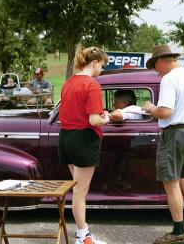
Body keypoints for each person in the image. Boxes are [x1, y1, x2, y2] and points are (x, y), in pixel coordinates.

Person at [142, 44, 184, 244]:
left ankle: (178, 232)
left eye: (155, 66)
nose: (156, 71)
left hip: (175, 133)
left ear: (161, 61)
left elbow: (165, 112)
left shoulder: (169, 78)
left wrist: (149, 107)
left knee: (171, 184)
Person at [58, 45, 109, 244]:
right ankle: (83, 236)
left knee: (78, 190)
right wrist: (106, 118)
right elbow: (94, 120)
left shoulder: (69, 82)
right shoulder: (92, 84)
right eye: (102, 66)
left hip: (66, 138)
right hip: (84, 139)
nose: (102, 70)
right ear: (95, 62)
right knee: (80, 192)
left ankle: (83, 233)